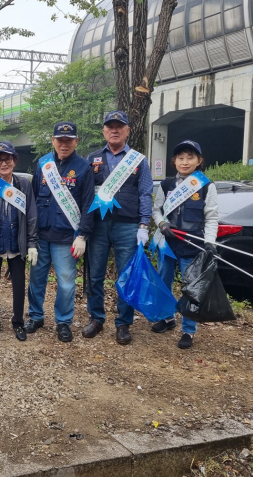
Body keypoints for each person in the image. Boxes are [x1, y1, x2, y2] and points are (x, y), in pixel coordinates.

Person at [84, 111, 154, 345]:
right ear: (103, 131)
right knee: (95, 275)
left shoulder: (138, 160)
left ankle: (123, 323)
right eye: (110, 126)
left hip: (128, 225)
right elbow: (84, 195)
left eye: (119, 126)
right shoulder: (92, 158)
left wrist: (144, 225)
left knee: (126, 276)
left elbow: (145, 193)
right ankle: (96, 317)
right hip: (99, 226)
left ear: (128, 131)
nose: (114, 130)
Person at [24, 122, 95, 343]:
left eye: (68, 140)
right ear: (53, 141)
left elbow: (88, 205)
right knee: (36, 279)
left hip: (67, 237)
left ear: (76, 141)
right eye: (59, 140)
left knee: (66, 283)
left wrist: (82, 235)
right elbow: (33, 199)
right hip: (42, 234)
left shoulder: (84, 167)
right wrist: (30, 236)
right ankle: (36, 316)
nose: (64, 144)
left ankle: (63, 322)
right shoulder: (43, 164)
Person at [152, 139, 218, 349]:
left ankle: (188, 330)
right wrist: (162, 224)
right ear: (174, 161)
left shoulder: (207, 186)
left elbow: (212, 218)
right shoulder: (166, 184)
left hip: (193, 245)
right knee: (164, 281)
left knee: (190, 288)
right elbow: (157, 210)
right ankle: (167, 317)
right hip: (168, 244)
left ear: (199, 161)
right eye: (181, 158)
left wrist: (210, 243)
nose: (185, 162)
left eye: (190, 158)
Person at [0, 142, 38, 341]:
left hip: (17, 244)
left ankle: (18, 322)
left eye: (8, 159)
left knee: (19, 285)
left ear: (14, 160)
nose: (4, 163)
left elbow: (32, 216)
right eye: (0, 160)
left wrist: (31, 244)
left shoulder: (24, 185)